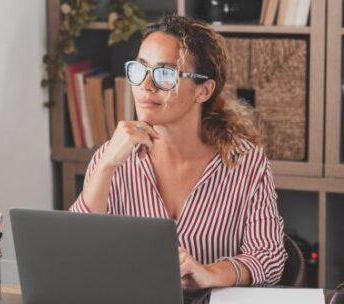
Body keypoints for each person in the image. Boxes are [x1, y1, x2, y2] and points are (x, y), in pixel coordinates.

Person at [69, 14, 287, 289]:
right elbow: (75, 252)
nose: (145, 86)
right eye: (140, 69)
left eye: (164, 74)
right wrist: (106, 165)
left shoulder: (245, 163)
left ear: (203, 91)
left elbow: (269, 258)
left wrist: (208, 273)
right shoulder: (113, 157)